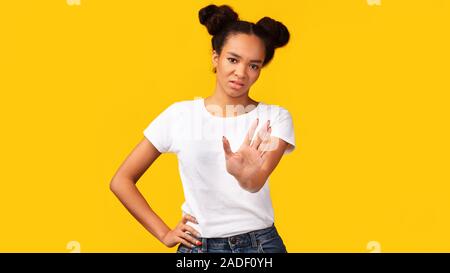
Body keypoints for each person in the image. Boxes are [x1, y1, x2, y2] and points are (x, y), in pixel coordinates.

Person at [110, 4, 295, 253]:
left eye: (253, 65)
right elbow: (121, 180)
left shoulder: (274, 118)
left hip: (260, 246)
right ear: (215, 57)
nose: (241, 73)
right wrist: (164, 233)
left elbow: (254, 183)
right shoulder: (180, 115)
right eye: (232, 59)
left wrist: (243, 174)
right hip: (198, 247)